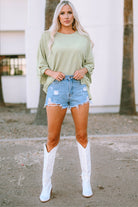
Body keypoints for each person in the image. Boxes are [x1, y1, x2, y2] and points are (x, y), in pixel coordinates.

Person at [37, 0, 94, 203]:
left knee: (82, 135)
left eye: (70, 12)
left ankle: (86, 181)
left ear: (74, 15)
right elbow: (41, 64)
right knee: (52, 138)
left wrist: (83, 70)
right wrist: (52, 72)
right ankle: (47, 185)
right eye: (63, 13)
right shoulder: (47, 37)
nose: (67, 16)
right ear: (58, 16)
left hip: (79, 89)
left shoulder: (83, 38)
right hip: (56, 89)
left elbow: (90, 63)